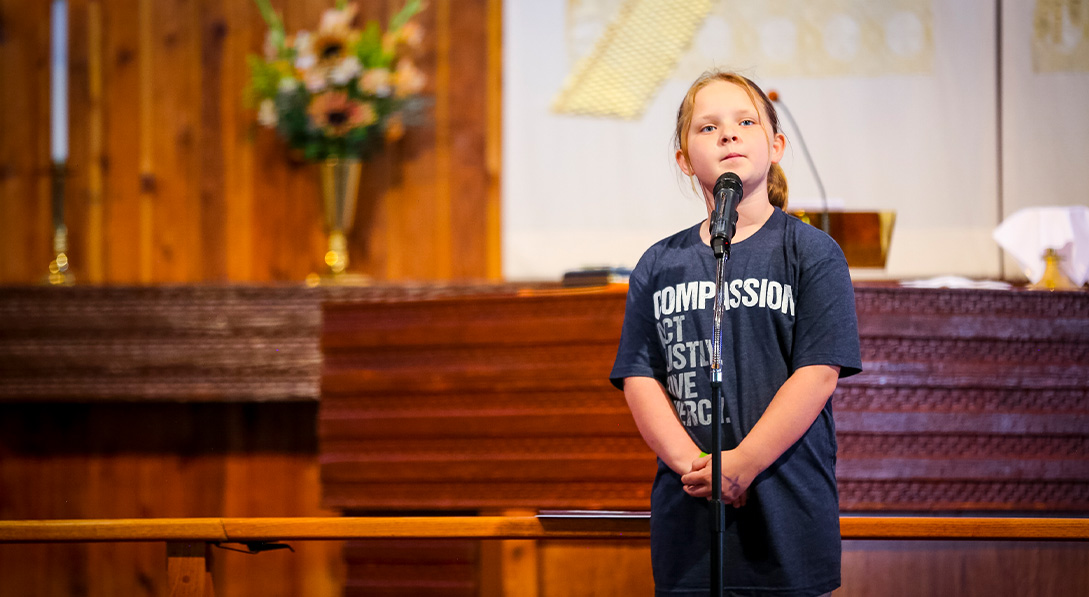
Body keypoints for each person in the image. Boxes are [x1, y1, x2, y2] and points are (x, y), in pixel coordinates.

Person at [609, 70, 862, 596]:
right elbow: (640, 377)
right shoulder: (659, 263)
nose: (728, 134)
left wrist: (741, 466)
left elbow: (817, 373)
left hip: (784, 506)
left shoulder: (812, 253)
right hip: (691, 510)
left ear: (775, 146)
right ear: (683, 159)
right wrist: (698, 468)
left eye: (745, 121)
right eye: (708, 127)